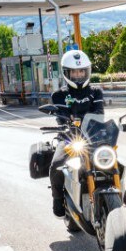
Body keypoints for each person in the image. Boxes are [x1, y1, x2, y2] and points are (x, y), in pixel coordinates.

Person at [49, 49, 104, 217]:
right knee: (56, 165)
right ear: (67, 73)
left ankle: (123, 201)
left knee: (112, 162)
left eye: (81, 71)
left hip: (92, 138)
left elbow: (99, 114)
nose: (78, 75)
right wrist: (69, 121)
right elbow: (61, 117)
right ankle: (57, 199)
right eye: (74, 71)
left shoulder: (96, 92)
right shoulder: (59, 95)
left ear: (87, 71)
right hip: (69, 138)